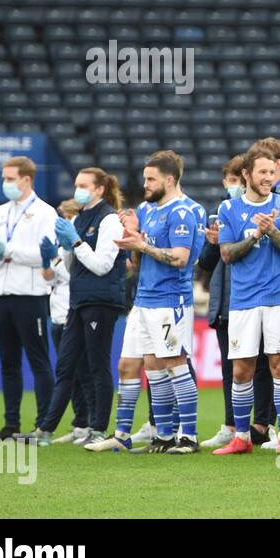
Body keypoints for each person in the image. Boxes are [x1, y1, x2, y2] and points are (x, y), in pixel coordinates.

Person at [89, 151, 204, 454]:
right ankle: (148, 435)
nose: (145, 184)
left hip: (170, 300)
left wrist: (142, 243)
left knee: (173, 364)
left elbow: (180, 259)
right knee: (135, 365)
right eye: (144, 178)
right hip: (143, 300)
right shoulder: (147, 209)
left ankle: (188, 436)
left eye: (151, 179)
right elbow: (138, 260)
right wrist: (133, 240)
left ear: (169, 179)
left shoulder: (183, 212)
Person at [212, 147, 280, 456]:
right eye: (262, 172)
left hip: (278, 298)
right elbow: (226, 255)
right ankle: (241, 436)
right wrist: (254, 236)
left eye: (272, 172)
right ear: (247, 175)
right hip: (243, 301)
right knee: (241, 371)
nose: (268, 178)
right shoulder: (229, 209)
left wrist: (272, 230)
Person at [34, 170, 128, 447]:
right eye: (76, 185)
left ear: (99, 189)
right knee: (66, 366)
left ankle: (98, 428)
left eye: (83, 186)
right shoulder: (83, 217)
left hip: (101, 302)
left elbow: (102, 265)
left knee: (97, 365)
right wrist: (64, 250)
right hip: (78, 300)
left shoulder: (109, 219)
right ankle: (45, 429)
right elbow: (74, 267)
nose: (78, 190)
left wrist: (75, 241)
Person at [0, 156, 59, 441]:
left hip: (30, 294)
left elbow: (46, 253)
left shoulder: (46, 213)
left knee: (38, 361)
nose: (5, 183)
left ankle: (43, 426)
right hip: (1, 292)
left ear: (26, 179)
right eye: (4, 178)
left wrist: (9, 251)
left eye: (10, 178)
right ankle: (10, 425)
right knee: (8, 362)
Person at [197, 156, 248, 448]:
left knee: (261, 368)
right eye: (230, 181)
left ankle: (259, 425)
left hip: (249, 298)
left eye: (238, 181)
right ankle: (231, 424)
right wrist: (213, 243)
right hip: (224, 301)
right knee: (231, 369)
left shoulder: (255, 212)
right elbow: (205, 262)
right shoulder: (218, 213)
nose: (234, 186)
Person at [41, 199, 94, 445]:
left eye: (67, 215)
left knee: (82, 372)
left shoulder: (78, 242)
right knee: (69, 375)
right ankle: (80, 423)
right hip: (57, 314)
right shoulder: (61, 244)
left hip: (74, 313)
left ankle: (91, 424)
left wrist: (58, 263)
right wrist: (46, 262)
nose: (63, 220)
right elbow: (51, 281)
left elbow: (76, 276)